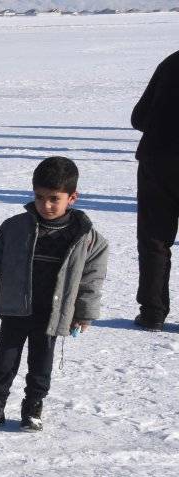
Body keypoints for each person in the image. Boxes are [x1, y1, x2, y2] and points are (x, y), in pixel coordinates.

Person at [0, 157, 108, 431]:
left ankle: (33, 407)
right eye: (40, 197)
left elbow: (91, 280)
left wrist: (84, 312)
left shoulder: (87, 238)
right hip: (16, 308)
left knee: (41, 363)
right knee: (4, 361)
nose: (46, 205)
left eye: (54, 198)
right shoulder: (15, 226)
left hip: (52, 313)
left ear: (72, 197)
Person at [132, 48, 179, 332]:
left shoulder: (172, 62)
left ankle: (153, 312)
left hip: (157, 161)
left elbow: (139, 118)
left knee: (155, 240)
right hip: (157, 160)